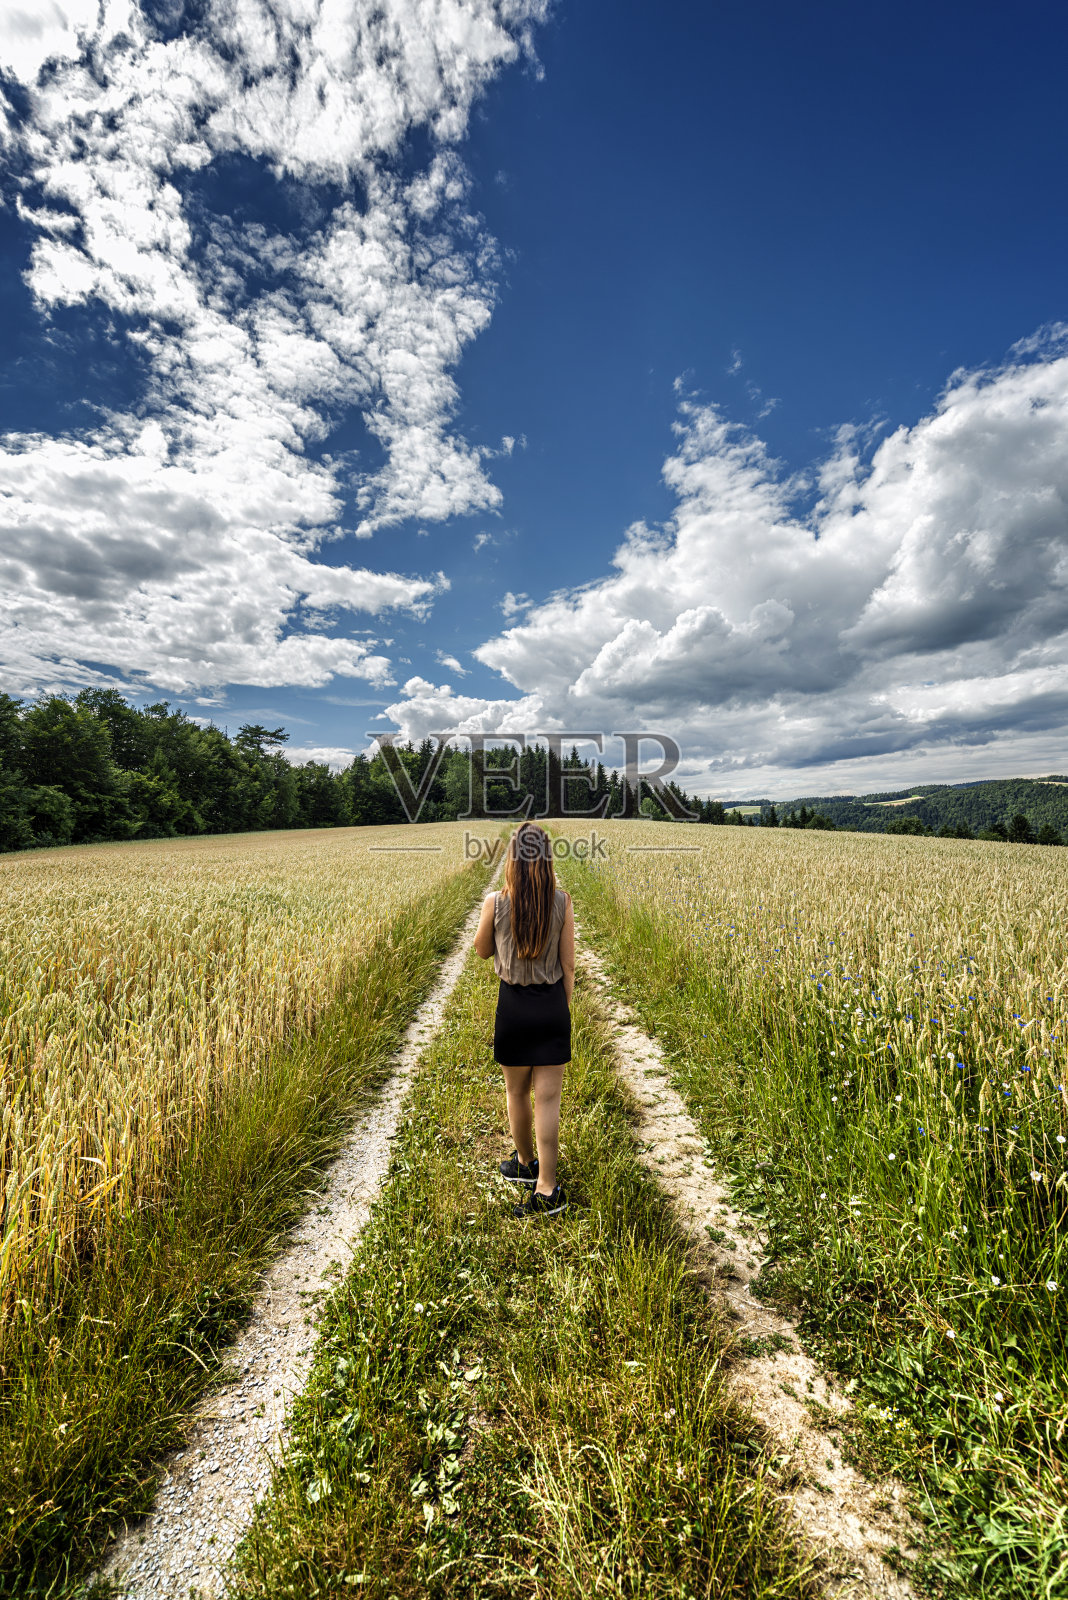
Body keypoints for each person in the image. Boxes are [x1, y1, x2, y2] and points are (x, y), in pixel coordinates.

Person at [473, 821, 574, 1218]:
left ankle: (525, 1164)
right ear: (547, 861)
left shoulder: (495, 903)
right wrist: (561, 1011)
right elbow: (568, 966)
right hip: (550, 1005)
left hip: (513, 1007)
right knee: (549, 1099)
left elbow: (481, 951)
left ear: (512, 861)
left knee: (516, 1093)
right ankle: (548, 1188)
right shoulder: (562, 902)